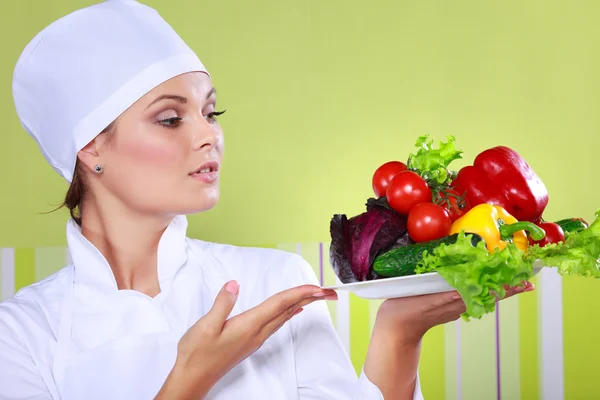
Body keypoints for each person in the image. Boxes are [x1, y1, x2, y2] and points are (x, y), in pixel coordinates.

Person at [0, 1, 532, 399]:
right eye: (170, 118)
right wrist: (193, 376)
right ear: (91, 147)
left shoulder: (275, 282)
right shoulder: (23, 333)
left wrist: (398, 334)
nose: (208, 135)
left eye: (211, 112)